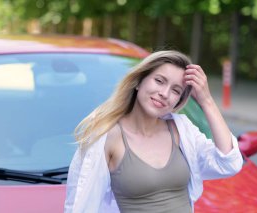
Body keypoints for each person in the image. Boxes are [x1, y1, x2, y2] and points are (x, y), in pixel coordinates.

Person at [64, 50, 243, 213]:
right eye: (159, 81)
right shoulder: (105, 137)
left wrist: (206, 100)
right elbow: (80, 205)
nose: (164, 93)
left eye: (176, 90)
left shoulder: (181, 130)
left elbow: (229, 163)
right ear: (138, 82)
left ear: (178, 100)